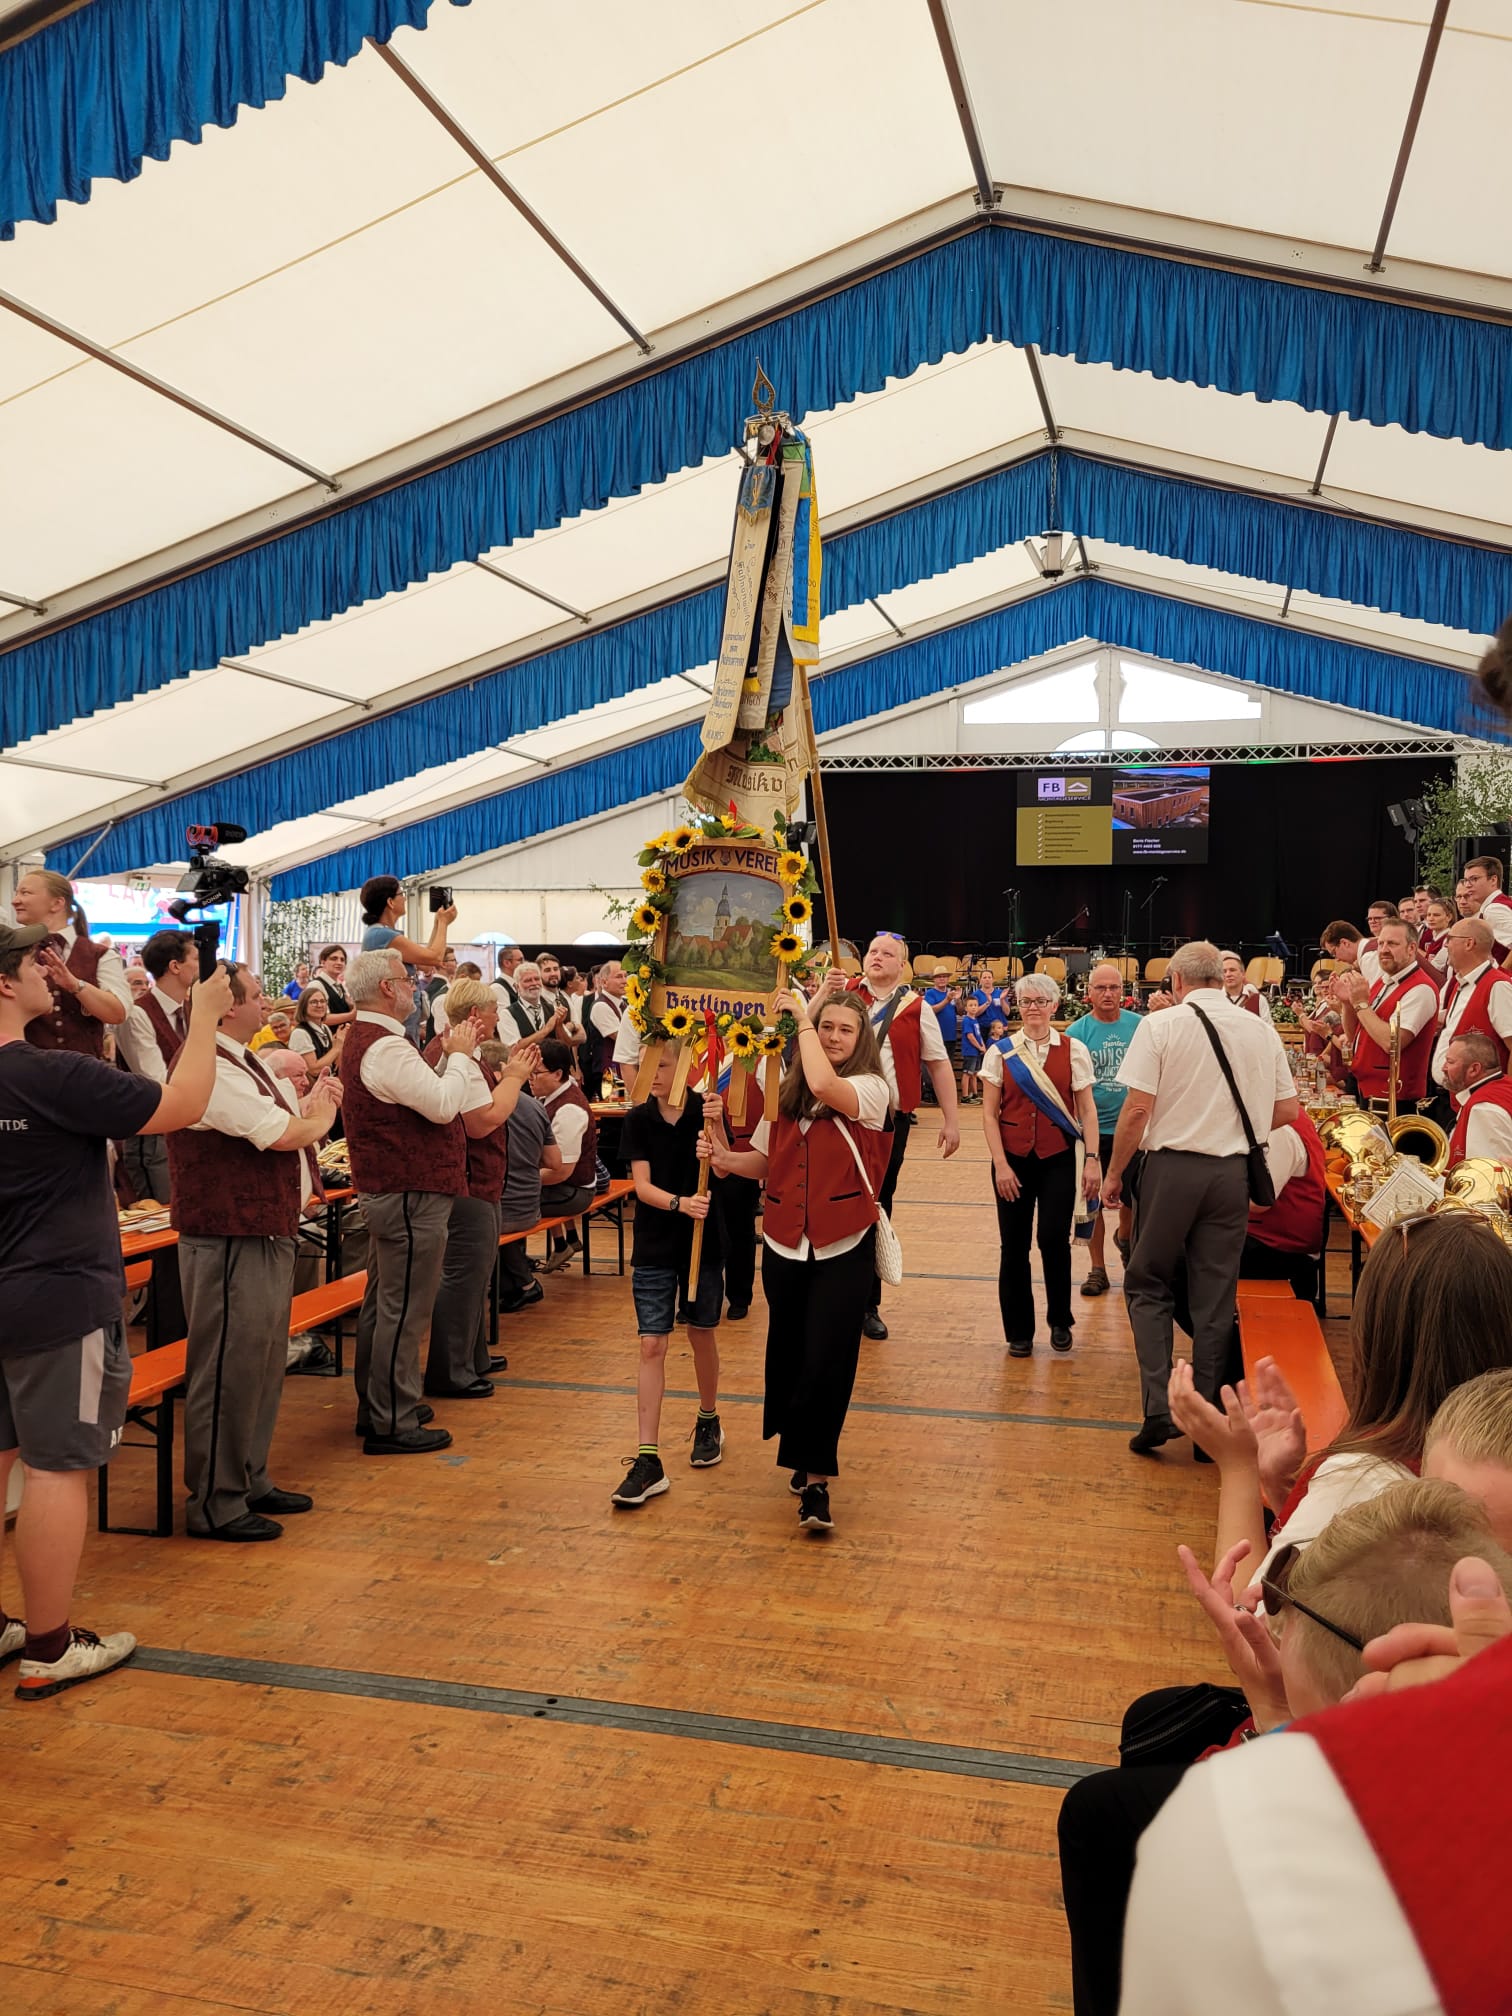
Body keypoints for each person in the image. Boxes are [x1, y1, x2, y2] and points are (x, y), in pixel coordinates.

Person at [1066, 1480, 1512, 2016]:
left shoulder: (1218, 1840)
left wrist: (1272, 1728)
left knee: (1095, 1807)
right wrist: (1278, 1715)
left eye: (1282, 1616)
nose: (1271, 1620)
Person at [0, 922, 232, 1699]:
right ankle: (49, 1647)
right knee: (57, 1468)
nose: (50, 972)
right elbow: (184, 1104)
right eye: (34, 962)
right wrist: (204, 1018)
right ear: (4, 983)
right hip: (58, 1295)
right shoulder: (49, 1074)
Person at [702, 988, 892, 1534]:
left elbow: (826, 1086)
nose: (833, 1037)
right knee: (788, 1355)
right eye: (826, 1026)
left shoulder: (871, 1088)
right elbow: (766, 1161)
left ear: (861, 1039)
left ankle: (816, 1484)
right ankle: (802, 1453)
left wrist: (802, 1018)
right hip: (785, 1243)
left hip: (843, 1244)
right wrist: (722, 1154)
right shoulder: (785, 1090)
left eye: (844, 1030)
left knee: (828, 1360)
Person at [1101, 940, 1297, 1455]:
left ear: (1176, 981)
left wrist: (1115, 1172)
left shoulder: (1161, 1025)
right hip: (1231, 1175)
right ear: (1220, 976)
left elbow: (1137, 1110)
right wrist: (1231, 1122)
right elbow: (1288, 1111)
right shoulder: (1259, 1028)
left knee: (1147, 1282)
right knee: (1214, 1297)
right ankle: (1209, 1427)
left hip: (1172, 1169)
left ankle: (1159, 1409)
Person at [166, 967, 341, 1541]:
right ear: (227, 1007)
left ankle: (248, 1476)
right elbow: (282, 1133)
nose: (268, 1004)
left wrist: (309, 1107)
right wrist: (320, 1117)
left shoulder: (242, 1057)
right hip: (228, 1236)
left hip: (260, 1230)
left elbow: (282, 1122)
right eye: (258, 995)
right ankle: (216, 1500)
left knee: (262, 1362)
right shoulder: (210, 1065)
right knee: (228, 1367)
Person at [340, 948, 493, 1454]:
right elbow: (444, 1105)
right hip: (407, 1192)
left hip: (399, 1190)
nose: (413, 985)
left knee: (388, 1303)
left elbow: (428, 1095)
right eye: (406, 978)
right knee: (404, 1308)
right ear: (387, 988)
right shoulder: (384, 1046)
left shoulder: (376, 1040)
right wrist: (461, 1056)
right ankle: (392, 1419)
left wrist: (450, 1058)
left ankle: (379, 1404)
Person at [823, 932, 960, 1342]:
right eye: (872, 951)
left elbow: (938, 1064)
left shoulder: (916, 1008)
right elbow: (806, 1036)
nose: (877, 957)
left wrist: (952, 1120)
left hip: (887, 1122)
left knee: (875, 1206)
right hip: (836, 1114)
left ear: (903, 966)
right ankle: (830, 1293)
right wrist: (822, 994)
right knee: (831, 1199)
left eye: (888, 953)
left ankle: (867, 1303)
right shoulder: (842, 993)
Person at [610, 1048, 725, 1509]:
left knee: (701, 1332)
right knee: (651, 1344)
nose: (649, 1073)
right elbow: (641, 1187)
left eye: (659, 1064)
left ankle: (708, 1417)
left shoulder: (706, 1109)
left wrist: (717, 1134)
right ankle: (648, 1457)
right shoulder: (638, 1118)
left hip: (704, 1242)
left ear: (684, 1066)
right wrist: (681, 1203)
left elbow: (725, 1168)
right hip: (655, 1243)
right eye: (644, 1064)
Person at [419, 979, 536, 1398]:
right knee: (463, 1276)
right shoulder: (458, 1058)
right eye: (493, 1011)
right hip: (467, 1182)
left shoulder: (462, 1053)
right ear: (474, 1015)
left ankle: (473, 1356)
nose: (498, 1017)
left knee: (477, 1272)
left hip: (477, 1179)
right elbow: (481, 1121)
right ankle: (450, 1371)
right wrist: (515, 1079)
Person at [981, 973, 1100, 1357]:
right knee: (1013, 1246)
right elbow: (989, 1114)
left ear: (1054, 1006)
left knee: (1052, 1239)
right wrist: (1001, 1165)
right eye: (1026, 1001)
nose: (1033, 1007)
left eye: (1041, 1001)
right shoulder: (1001, 1052)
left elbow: (1087, 1111)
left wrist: (1093, 1160)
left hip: (1058, 1159)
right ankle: (1018, 1331)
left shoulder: (1074, 1049)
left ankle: (1060, 1320)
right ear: (1018, 1006)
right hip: (1012, 1160)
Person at [1065, 963, 1142, 1296]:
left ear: (1123, 991)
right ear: (1089, 992)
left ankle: (1125, 1240)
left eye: (1113, 987)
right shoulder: (1076, 1033)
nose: (1108, 993)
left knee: (1134, 1199)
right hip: (1092, 1131)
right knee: (1090, 1199)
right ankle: (1097, 1268)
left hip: (1133, 1130)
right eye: (1101, 988)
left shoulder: (1140, 1026)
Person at [114, 926, 197, 1203]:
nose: (203, 966)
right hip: (155, 1136)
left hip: (191, 1128)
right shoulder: (138, 1014)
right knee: (164, 1210)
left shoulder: (191, 1010)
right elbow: (157, 1080)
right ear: (175, 966)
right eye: (196, 959)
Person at [11, 869, 129, 1059]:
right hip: (26, 1070)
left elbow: (117, 1014)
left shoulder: (102, 955)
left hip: (85, 1072)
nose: (15, 900)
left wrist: (76, 985)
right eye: (17, 893)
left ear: (57, 903)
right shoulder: (12, 951)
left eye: (25, 893)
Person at [1336, 917, 1438, 1113]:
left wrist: (1360, 1004)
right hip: (1369, 1090)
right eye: (1381, 943)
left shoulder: (1421, 988)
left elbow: (1392, 1042)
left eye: (1392, 944)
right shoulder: (1383, 982)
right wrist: (1348, 1004)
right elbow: (1354, 1034)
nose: (1383, 950)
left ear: (1411, 948)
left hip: (1396, 1098)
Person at [1429, 916, 1512, 1127]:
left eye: (1450, 939)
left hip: (1482, 1107)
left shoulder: (1497, 986)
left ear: (1469, 943)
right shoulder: (1461, 984)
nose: (1445, 945)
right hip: (1454, 1100)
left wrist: (1506, 1099)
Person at [494, 1061, 563, 1315]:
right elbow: (554, 1162)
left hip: (503, 1211)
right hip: (531, 1205)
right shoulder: (535, 1105)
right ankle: (512, 1282)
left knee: (466, 1220)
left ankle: (525, 1283)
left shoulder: (486, 1106)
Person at [529, 1039, 598, 1271]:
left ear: (558, 1074)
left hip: (574, 1191)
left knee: (508, 1204)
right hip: (563, 1185)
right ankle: (561, 1244)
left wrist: (519, 1181)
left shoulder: (569, 1109)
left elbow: (560, 1172)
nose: (530, 1078)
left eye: (536, 1073)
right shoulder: (553, 1095)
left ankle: (517, 1276)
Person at [359, 877, 456, 1041]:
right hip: (397, 1011)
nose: (404, 898)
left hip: (406, 1011)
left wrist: (437, 924)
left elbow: (426, 965)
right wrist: (444, 923)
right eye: (401, 894)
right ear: (390, 902)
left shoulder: (383, 933)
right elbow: (435, 957)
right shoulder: (382, 935)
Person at [1442, 1029, 1512, 1164]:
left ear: (1474, 1069)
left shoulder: (1483, 1109)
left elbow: (1486, 1171)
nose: (1444, 1068)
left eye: (1450, 1062)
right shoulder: (1504, 1085)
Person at [501, 962, 570, 1048]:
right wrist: (546, 1029)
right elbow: (513, 1049)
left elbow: (566, 1045)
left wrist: (559, 1025)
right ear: (517, 987)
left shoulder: (552, 1009)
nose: (534, 983)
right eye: (528, 980)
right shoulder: (507, 1014)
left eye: (537, 979)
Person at [1462, 851, 1512, 962]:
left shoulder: (1494, 909)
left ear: (1493, 880)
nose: (1468, 885)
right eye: (1466, 880)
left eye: (1474, 879)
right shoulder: (1497, 905)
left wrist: (1501, 971)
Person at [587, 960, 628, 1087]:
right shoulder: (601, 1006)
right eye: (619, 977)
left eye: (625, 976)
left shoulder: (624, 1004)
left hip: (622, 1070)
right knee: (614, 1100)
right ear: (604, 982)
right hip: (608, 1073)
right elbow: (621, 1038)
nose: (625, 981)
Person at [289, 982, 340, 1075]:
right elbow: (314, 1070)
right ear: (303, 1006)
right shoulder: (300, 1033)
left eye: (322, 1001)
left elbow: (332, 1062)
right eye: (314, 1002)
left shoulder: (325, 1028)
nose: (319, 1005)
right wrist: (336, 1048)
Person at [305, 945, 356, 1026]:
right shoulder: (316, 985)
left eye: (342, 960)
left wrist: (351, 1006)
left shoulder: (340, 986)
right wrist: (351, 1015)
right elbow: (320, 1018)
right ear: (323, 962)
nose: (339, 962)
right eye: (334, 958)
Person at [1219, 951, 1273, 1023]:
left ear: (1243, 974)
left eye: (1232, 970)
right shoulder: (1215, 1000)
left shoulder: (1259, 1000)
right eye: (1224, 971)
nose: (1228, 974)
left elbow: (1268, 1028)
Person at [1419, 894, 1454, 971]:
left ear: (1449, 917)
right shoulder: (1434, 938)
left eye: (1436, 915)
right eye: (1429, 915)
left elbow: (1434, 968)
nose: (1431, 919)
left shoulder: (1449, 939)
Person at [960, 997, 985, 1102]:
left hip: (976, 1051)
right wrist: (979, 1047)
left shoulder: (975, 1020)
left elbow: (978, 1035)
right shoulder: (967, 1020)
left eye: (975, 1005)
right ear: (966, 1008)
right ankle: (965, 1096)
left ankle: (975, 1094)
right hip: (970, 1050)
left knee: (974, 1073)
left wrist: (983, 1046)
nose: (974, 1007)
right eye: (971, 1005)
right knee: (967, 1073)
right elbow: (970, 1036)